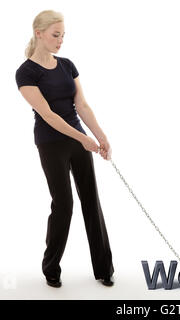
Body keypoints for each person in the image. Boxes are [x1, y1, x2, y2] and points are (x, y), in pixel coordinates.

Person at [15, 10, 114, 288]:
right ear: (39, 34)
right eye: (55, 35)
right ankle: (51, 267)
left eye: (63, 35)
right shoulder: (26, 72)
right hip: (51, 142)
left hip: (78, 139)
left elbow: (81, 105)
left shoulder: (67, 65)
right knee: (64, 204)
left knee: (90, 200)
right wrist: (83, 139)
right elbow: (48, 115)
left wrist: (101, 136)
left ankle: (104, 268)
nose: (60, 41)